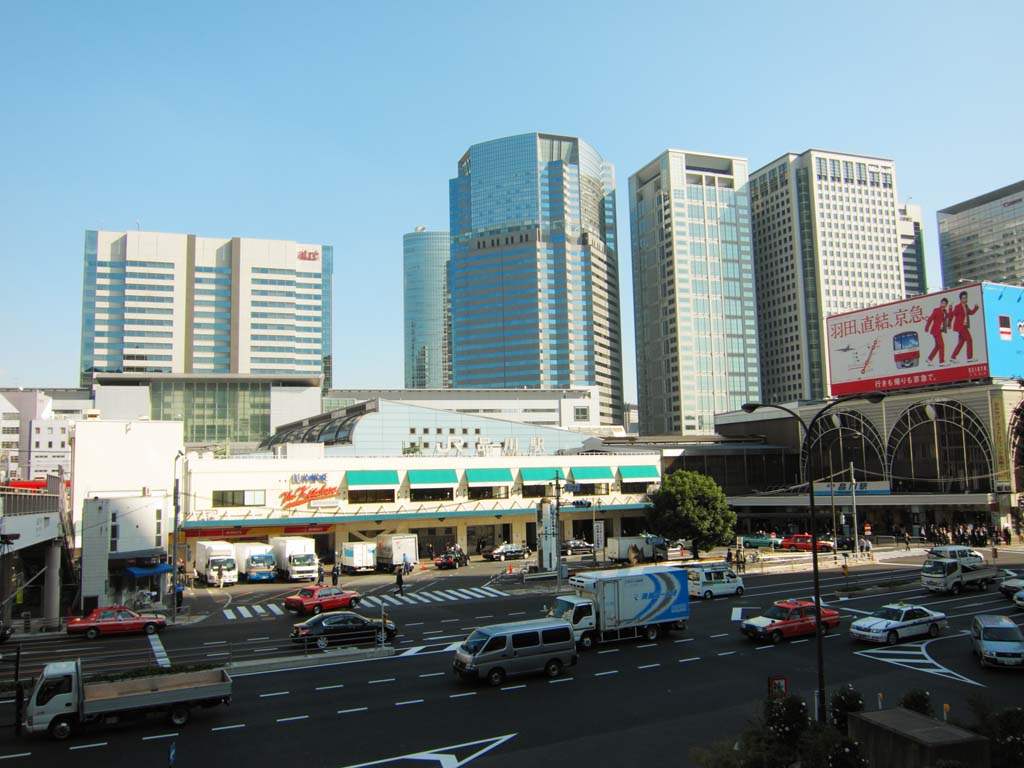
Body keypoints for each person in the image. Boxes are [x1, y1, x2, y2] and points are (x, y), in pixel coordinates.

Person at [949, 290, 979, 362]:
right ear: (960, 299)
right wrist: (950, 309)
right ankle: (969, 357)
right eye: (963, 298)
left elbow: (971, 312)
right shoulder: (958, 307)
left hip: (964, 326)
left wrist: (976, 308)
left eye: (966, 298)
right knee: (969, 340)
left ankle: (953, 357)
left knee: (961, 343)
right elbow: (952, 315)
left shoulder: (966, 306)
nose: (965, 300)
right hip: (960, 327)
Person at [924, 297, 949, 365]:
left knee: (938, 346)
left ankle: (929, 359)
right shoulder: (936, 310)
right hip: (936, 331)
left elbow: (949, 316)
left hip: (939, 331)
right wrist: (927, 327)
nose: (943, 304)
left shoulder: (945, 312)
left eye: (945, 303)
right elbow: (930, 319)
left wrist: (950, 309)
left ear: (946, 305)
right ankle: (941, 361)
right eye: (942, 303)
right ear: (940, 303)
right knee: (941, 345)